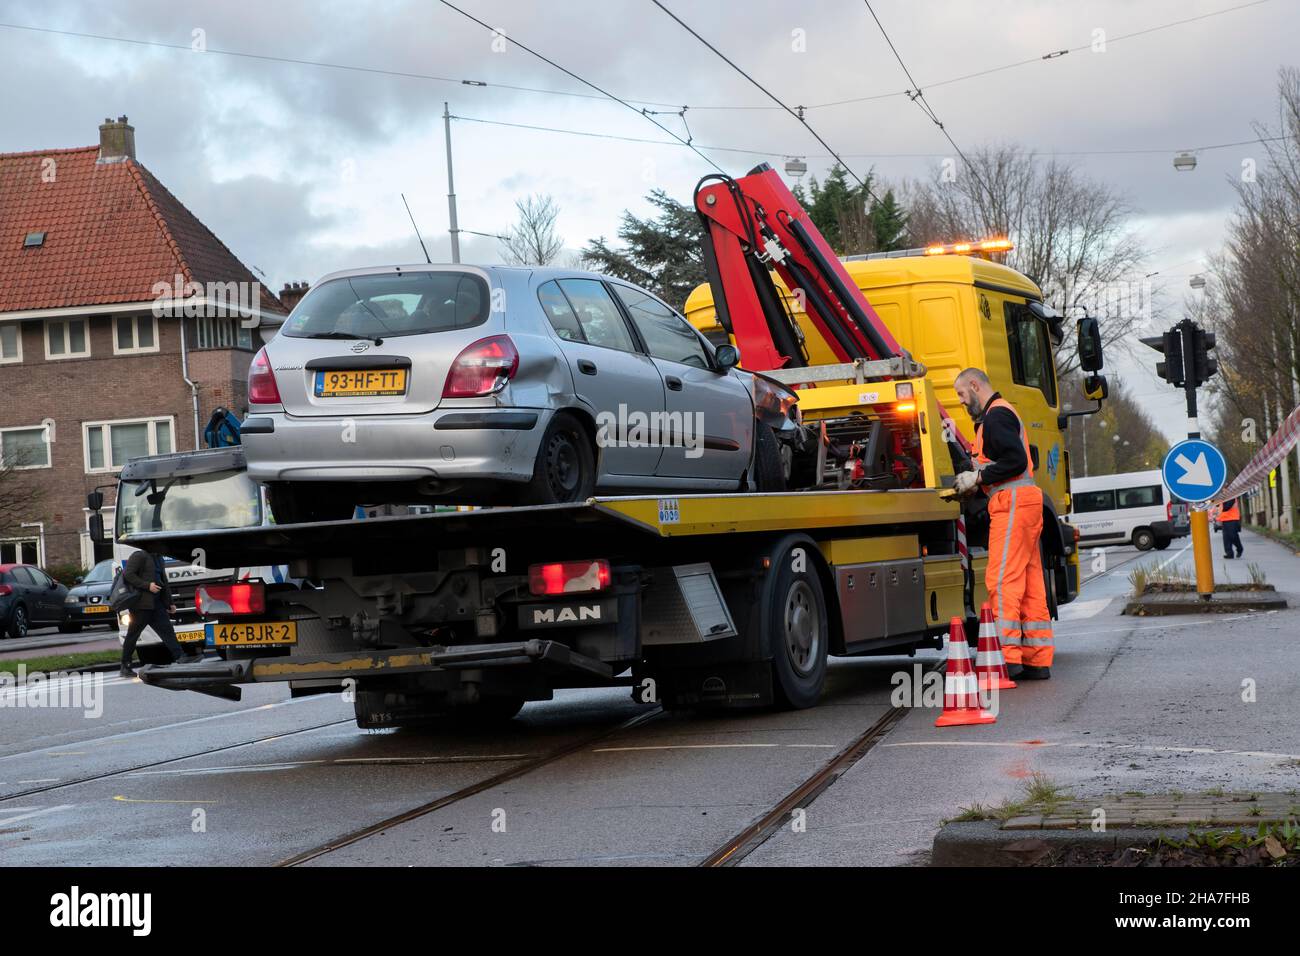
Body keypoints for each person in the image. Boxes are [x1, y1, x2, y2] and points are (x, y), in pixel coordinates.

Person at [953, 368, 1053, 680]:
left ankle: (1007, 659)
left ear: (974, 385)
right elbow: (1016, 462)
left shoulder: (995, 418)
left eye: (960, 394)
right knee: (1030, 582)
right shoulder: (1002, 414)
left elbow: (1015, 461)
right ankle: (1037, 659)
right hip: (1024, 502)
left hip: (1012, 504)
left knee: (1002, 581)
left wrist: (979, 477)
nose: (960, 401)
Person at [120, 550, 199, 677]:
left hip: (156, 604)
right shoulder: (139, 555)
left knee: (167, 631)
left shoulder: (158, 557)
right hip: (141, 605)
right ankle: (125, 666)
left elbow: (163, 581)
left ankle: (180, 657)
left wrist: (170, 603)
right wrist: (147, 585)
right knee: (133, 635)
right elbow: (128, 575)